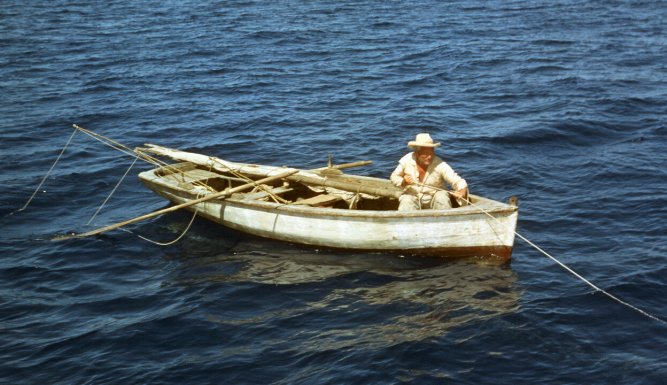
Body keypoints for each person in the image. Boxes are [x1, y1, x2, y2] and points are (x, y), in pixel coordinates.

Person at [390, 133, 468, 211]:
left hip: (433, 197)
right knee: (406, 200)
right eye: (426, 154)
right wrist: (403, 182)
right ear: (417, 154)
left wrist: (461, 191)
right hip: (413, 196)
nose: (429, 157)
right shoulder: (406, 160)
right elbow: (394, 177)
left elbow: (458, 181)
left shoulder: (439, 164)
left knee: (442, 197)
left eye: (431, 153)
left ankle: (443, 221)